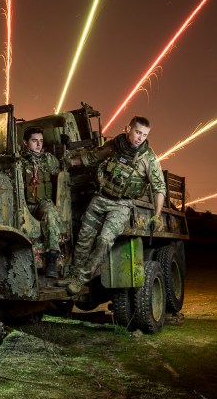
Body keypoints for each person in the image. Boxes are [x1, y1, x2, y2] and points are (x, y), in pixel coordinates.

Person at [66, 116, 166, 293]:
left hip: (121, 204)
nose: (140, 138)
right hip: (100, 198)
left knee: (105, 240)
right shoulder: (114, 145)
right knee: (84, 238)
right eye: (137, 132)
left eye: (144, 135)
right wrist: (69, 162)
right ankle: (74, 275)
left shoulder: (148, 158)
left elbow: (159, 188)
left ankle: (81, 278)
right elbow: (92, 157)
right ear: (128, 129)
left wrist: (157, 216)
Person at [21, 127, 63, 278]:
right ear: (25, 142)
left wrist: (65, 150)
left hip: (42, 203)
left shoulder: (48, 159)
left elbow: (63, 167)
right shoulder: (19, 161)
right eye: (34, 141)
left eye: (41, 141)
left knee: (50, 213)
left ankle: (52, 259)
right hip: (24, 204)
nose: (39, 145)